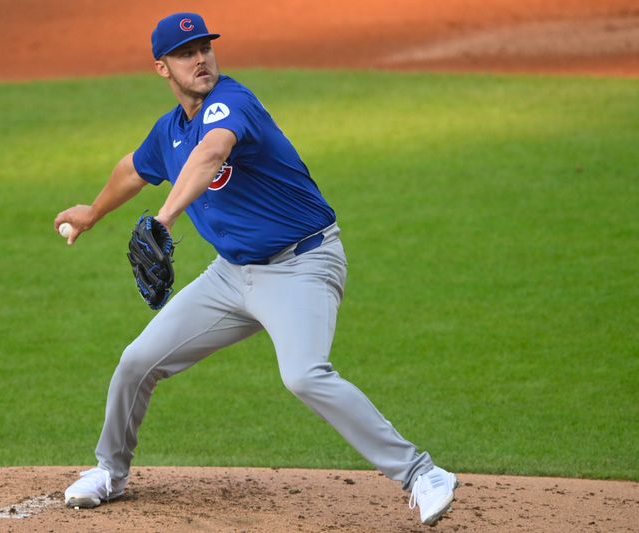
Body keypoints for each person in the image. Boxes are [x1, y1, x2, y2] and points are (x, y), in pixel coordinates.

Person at [54, 12, 458, 526]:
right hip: (232, 276)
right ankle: (109, 473)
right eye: (185, 53)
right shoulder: (169, 131)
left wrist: (164, 218)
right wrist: (92, 212)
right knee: (138, 361)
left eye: (204, 47)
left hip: (303, 265)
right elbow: (133, 169)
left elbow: (212, 152)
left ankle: (422, 473)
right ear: (162, 68)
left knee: (304, 375)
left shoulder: (232, 103)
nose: (199, 58)